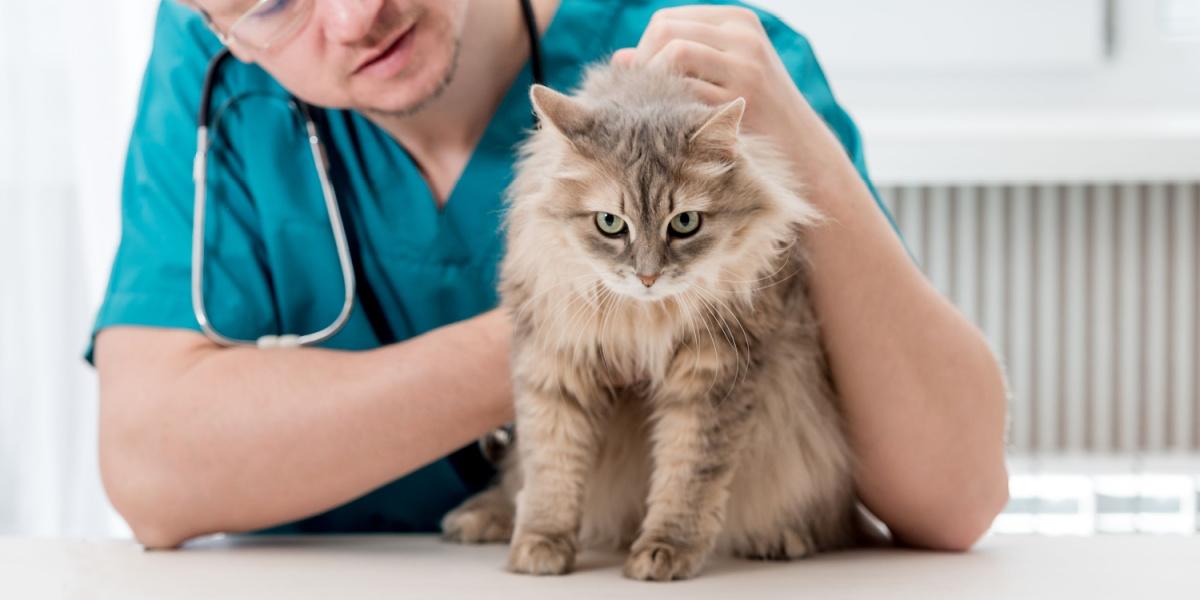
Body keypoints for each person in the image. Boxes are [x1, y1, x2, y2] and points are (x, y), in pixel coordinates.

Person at [90, 0, 1009, 551]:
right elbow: (151, 468)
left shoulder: (696, 55)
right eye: (273, 3)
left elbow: (957, 493)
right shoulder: (209, 71)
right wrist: (573, 318)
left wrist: (793, 142)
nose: (354, 16)